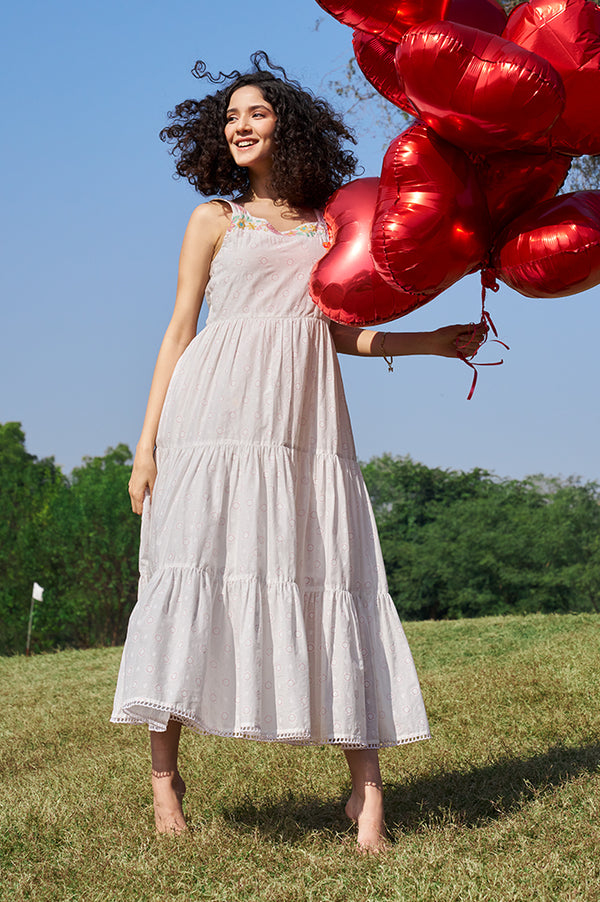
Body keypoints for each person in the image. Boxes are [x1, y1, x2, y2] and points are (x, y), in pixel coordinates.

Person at [111, 52, 486, 851]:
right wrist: (146, 447)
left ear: (290, 124)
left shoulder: (331, 224)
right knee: (192, 575)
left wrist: (432, 342)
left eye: (255, 113)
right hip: (210, 419)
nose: (239, 126)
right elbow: (180, 330)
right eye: (229, 118)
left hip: (303, 424)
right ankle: (165, 783)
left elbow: (336, 331)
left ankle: (367, 798)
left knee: (330, 578)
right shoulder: (215, 219)